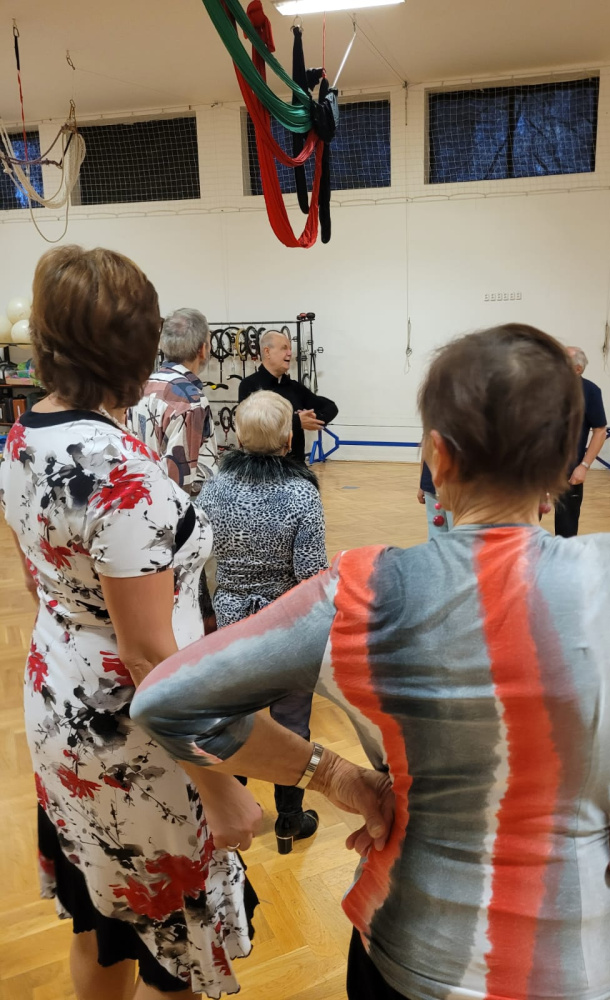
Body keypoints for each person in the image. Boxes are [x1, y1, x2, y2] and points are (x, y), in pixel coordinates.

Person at [132, 323, 610, 1000]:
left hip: (408, 951)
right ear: (561, 463)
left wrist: (332, 774)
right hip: (595, 964)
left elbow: (166, 702)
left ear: (439, 456)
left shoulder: (357, 592)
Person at [0, 246, 261, 1000]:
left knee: (101, 927)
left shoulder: (24, 436)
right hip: (136, 730)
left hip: (59, 696)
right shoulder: (121, 475)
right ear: (140, 346)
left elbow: (37, 577)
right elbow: (148, 653)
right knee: (171, 956)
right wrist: (218, 786)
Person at [196, 390, 328, 854]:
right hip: (286, 627)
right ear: (289, 438)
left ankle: (235, 812)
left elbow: (198, 558)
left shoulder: (214, 489)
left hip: (231, 623)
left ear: (237, 435)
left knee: (234, 717)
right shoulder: (301, 492)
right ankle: (289, 819)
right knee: (291, 724)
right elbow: (311, 574)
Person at [127, 307, 218, 498]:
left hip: (143, 501)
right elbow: (181, 483)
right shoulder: (191, 401)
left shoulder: (141, 388)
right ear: (202, 349)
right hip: (176, 508)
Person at [237, 329, 338, 464]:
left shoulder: (294, 387)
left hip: (296, 468)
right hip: (263, 468)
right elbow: (251, 426)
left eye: (290, 349)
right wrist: (296, 422)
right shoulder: (249, 385)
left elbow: (330, 407)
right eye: (284, 348)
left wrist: (312, 419)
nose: (290, 353)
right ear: (267, 352)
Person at [555, 346, 608, 537]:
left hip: (570, 472)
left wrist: (584, 466)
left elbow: (600, 431)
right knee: (526, 527)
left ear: (578, 369)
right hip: (538, 471)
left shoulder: (590, 391)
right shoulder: (542, 388)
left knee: (567, 530)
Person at [416, 461, 451, 538]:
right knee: (435, 530)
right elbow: (425, 455)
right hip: (430, 482)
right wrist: (422, 484)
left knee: (456, 529)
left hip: (456, 485)